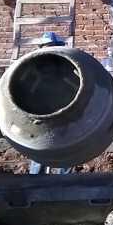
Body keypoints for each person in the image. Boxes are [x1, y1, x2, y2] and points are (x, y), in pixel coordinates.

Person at [28, 31, 70, 175]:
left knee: (65, 147)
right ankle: (36, 180)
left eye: (52, 46)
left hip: (62, 111)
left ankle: (63, 181)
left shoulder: (64, 65)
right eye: (47, 46)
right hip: (41, 113)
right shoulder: (34, 66)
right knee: (40, 148)